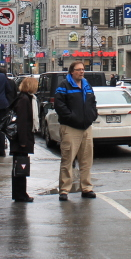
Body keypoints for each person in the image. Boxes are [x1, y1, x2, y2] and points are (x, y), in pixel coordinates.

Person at [55, 61, 98, 201]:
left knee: (86, 160)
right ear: (72, 71)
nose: (81, 71)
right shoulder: (64, 85)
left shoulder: (87, 85)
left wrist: (92, 115)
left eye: (83, 69)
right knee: (67, 159)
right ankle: (64, 190)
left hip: (86, 127)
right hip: (70, 128)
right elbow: (59, 105)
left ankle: (86, 188)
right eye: (79, 69)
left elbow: (93, 103)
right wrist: (72, 117)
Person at [11, 76, 40, 202]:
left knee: (20, 167)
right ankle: (20, 194)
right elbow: (22, 122)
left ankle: (21, 193)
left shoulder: (26, 98)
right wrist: (23, 141)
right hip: (21, 140)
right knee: (21, 168)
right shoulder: (24, 100)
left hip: (21, 139)